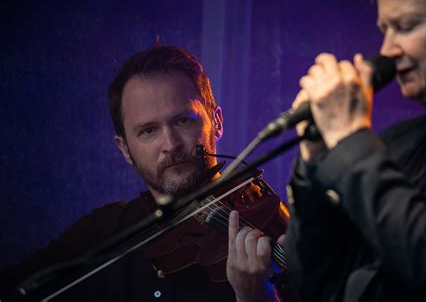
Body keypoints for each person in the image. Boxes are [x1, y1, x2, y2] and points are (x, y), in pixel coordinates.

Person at [0, 45, 290, 302]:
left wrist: (257, 296)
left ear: (216, 121)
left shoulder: (272, 227)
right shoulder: (103, 232)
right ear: (125, 149)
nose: (171, 144)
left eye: (183, 121)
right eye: (148, 131)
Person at [284, 0, 426, 301]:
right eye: (385, 30)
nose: (387, 50)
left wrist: (349, 140)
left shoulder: (366, 149)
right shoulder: (397, 141)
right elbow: (313, 280)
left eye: (406, 26)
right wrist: (313, 160)